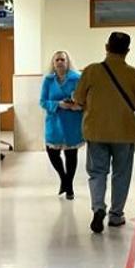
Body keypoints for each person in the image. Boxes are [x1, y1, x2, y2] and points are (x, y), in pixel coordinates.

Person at [73, 32, 135, 234]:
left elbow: (79, 99)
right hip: (124, 132)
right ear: (127, 51)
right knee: (121, 174)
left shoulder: (91, 71)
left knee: (97, 172)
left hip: (96, 130)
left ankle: (98, 208)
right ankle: (116, 215)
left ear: (106, 47)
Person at [40, 50, 83, 198]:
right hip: (54, 121)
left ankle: (69, 187)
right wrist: (58, 104)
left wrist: (75, 104)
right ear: (53, 63)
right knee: (52, 152)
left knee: (71, 155)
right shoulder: (48, 81)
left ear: (68, 62)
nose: (59, 62)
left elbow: (84, 98)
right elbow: (43, 101)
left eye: (62, 60)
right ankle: (64, 178)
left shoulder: (77, 78)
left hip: (72, 122)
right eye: (57, 60)